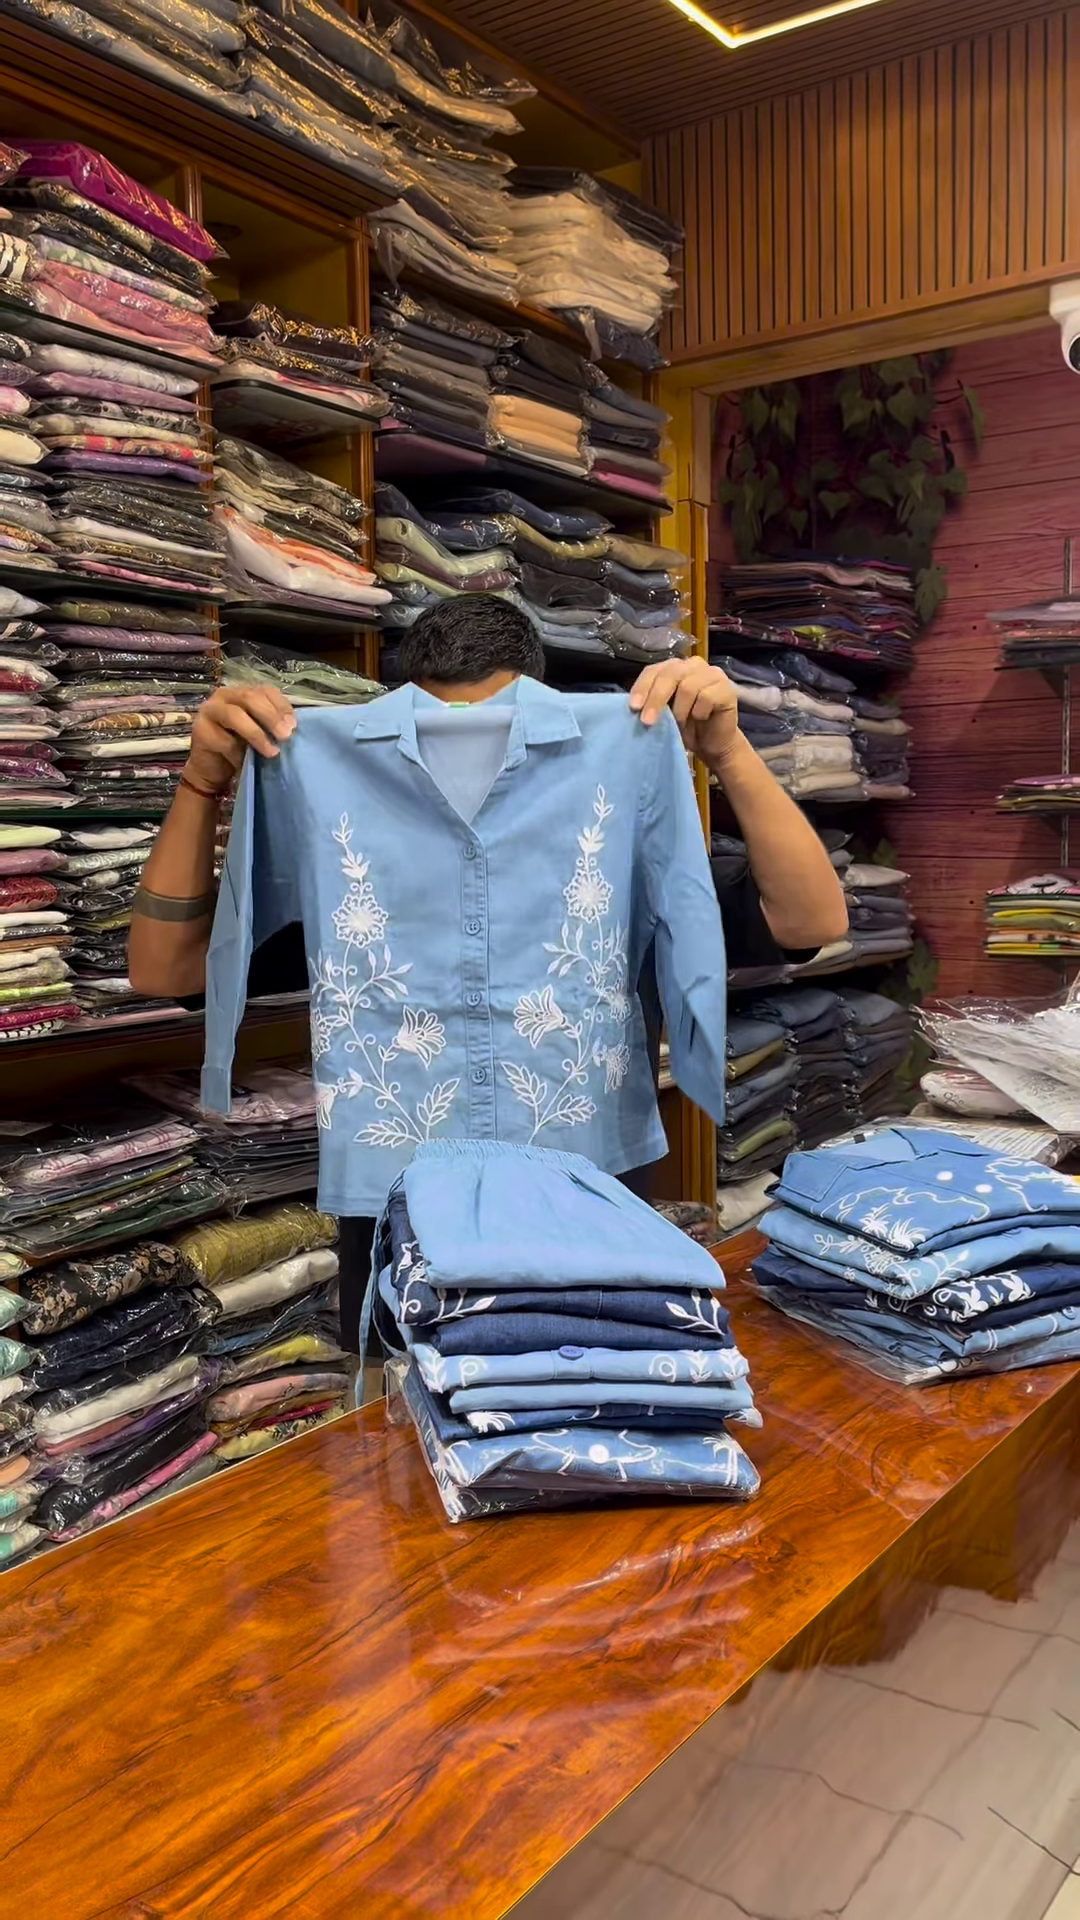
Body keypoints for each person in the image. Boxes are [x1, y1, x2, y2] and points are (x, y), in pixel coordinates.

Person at [129, 600, 847, 1347]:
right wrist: (202, 781)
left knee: (595, 1399)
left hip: (592, 1210)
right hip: (397, 1226)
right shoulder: (336, 825)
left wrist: (727, 750)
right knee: (404, 1411)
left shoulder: (621, 786)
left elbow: (812, 923)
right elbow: (163, 969)